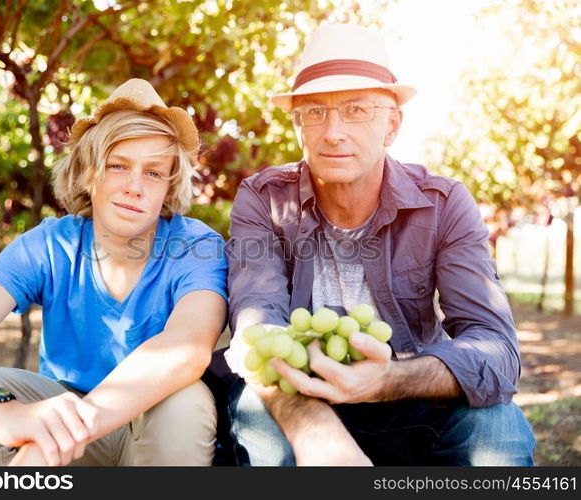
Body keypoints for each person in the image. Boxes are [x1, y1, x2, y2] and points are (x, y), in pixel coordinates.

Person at [211, 23, 536, 466]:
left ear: (392, 124)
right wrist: (315, 427)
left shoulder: (442, 204)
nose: (333, 132)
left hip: (412, 396)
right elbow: (257, 326)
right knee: (258, 416)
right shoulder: (265, 200)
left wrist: (386, 382)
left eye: (357, 109)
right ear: (298, 125)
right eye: (314, 112)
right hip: (301, 391)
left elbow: (495, 348)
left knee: (499, 429)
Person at [0, 78, 228, 466]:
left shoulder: (196, 246)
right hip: (63, 419)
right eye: (117, 166)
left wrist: (69, 429)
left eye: (154, 173)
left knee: (186, 402)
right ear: (89, 173)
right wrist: (0, 411)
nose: (135, 187)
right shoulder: (50, 245)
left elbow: (187, 347)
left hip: (146, 427)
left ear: (169, 185)